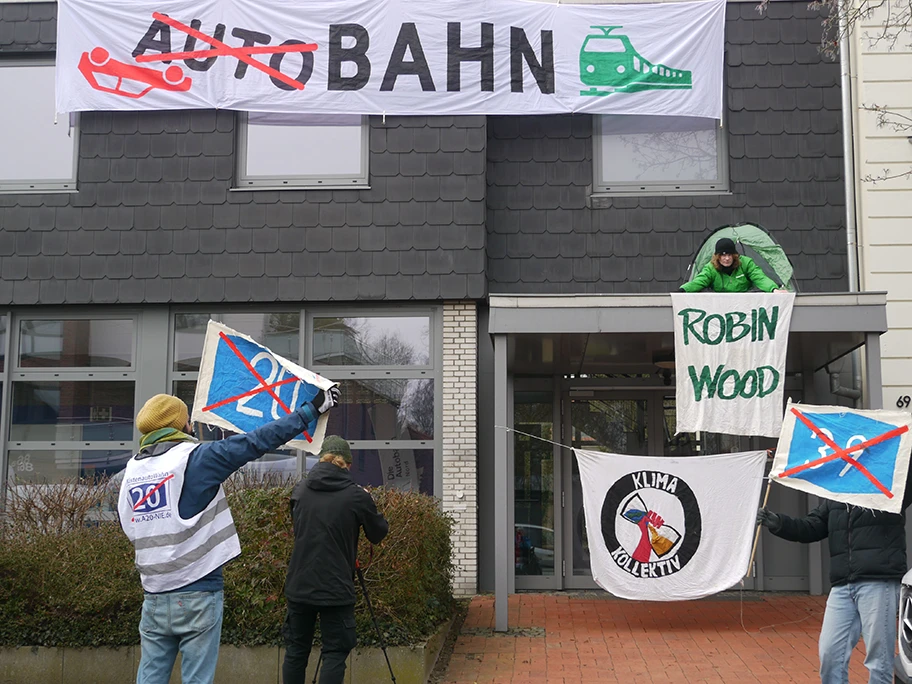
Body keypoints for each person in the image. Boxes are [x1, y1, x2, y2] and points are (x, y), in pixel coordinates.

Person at [117, 386, 340, 684]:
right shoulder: (196, 459)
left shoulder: (132, 471)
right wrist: (310, 411)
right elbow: (256, 441)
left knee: (150, 678)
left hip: (154, 594)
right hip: (198, 589)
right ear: (181, 425)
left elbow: (131, 527)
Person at [757, 484, 912, 684]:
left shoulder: (891, 483)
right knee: (830, 655)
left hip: (878, 581)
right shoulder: (837, 493)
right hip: (842, 586)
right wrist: (779, 523)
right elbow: (812, 526)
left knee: (879, 660)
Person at [282, 436, 389, 684]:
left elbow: (299, 530)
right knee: (335, 652)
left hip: (299, 583)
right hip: (335, 585)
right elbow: (378, 533)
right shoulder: (355, 496)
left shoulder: (300, 490)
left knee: (296, 651)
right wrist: (368, 502)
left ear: (321, 460)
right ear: (347, 464)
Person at [680, 237, 788, 293]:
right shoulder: (711, 268)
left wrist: (774, 289)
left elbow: (760, 278)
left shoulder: (746, 263)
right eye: (723, 255)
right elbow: (698, 281)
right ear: (717, 257)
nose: (726, 258)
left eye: (729, 255)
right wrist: (682, 290)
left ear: (735, 255)